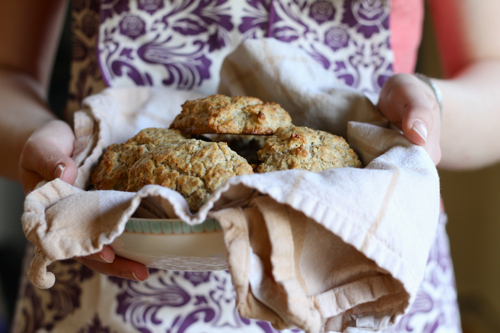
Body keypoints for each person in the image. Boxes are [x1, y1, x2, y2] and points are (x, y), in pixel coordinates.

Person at [1, 0, 498, 331]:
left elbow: (490, 69)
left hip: (355, 267)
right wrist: (40, 143)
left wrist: (426, 109)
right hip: (103, 275)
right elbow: (8, 71)